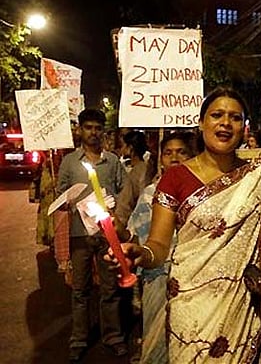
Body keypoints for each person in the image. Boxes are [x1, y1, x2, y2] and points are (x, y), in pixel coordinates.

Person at [108, 86, 261, 363]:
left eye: (234, 117)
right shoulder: (175, 178)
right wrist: (140, 254)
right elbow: (158, 246)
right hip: (192, 304)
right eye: (217, 115)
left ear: (244, 128)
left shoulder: (259, 174)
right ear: (201, 123)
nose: (225, 123)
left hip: (243, 303)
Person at [56, 108, 127, 362]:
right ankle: (79, 339)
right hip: (79, 234)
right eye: (89, 127)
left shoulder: (113, 161)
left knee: (110, 288)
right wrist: (70, 202)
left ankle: (113, 336)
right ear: (80, 130)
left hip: (107, 234)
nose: (93, 133)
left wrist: (113, 202)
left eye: (98, 128)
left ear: (103, 132)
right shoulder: (69, 163)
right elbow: (61, 195)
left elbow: (124, 192)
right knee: (80, 289)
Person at [127, 131, 195, 364]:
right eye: (168, 153)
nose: (174, 158)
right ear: (160, 159)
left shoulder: (203, 194)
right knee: (158, 345)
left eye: (181, 152)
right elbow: (142, 237)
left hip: (194, 279)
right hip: (157, 278)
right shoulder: (149, 194)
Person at [114, 130, 156, 242]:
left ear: (130, 148)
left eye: (123, 145)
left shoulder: (141, 170)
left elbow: (139, 198)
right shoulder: (135, 168)